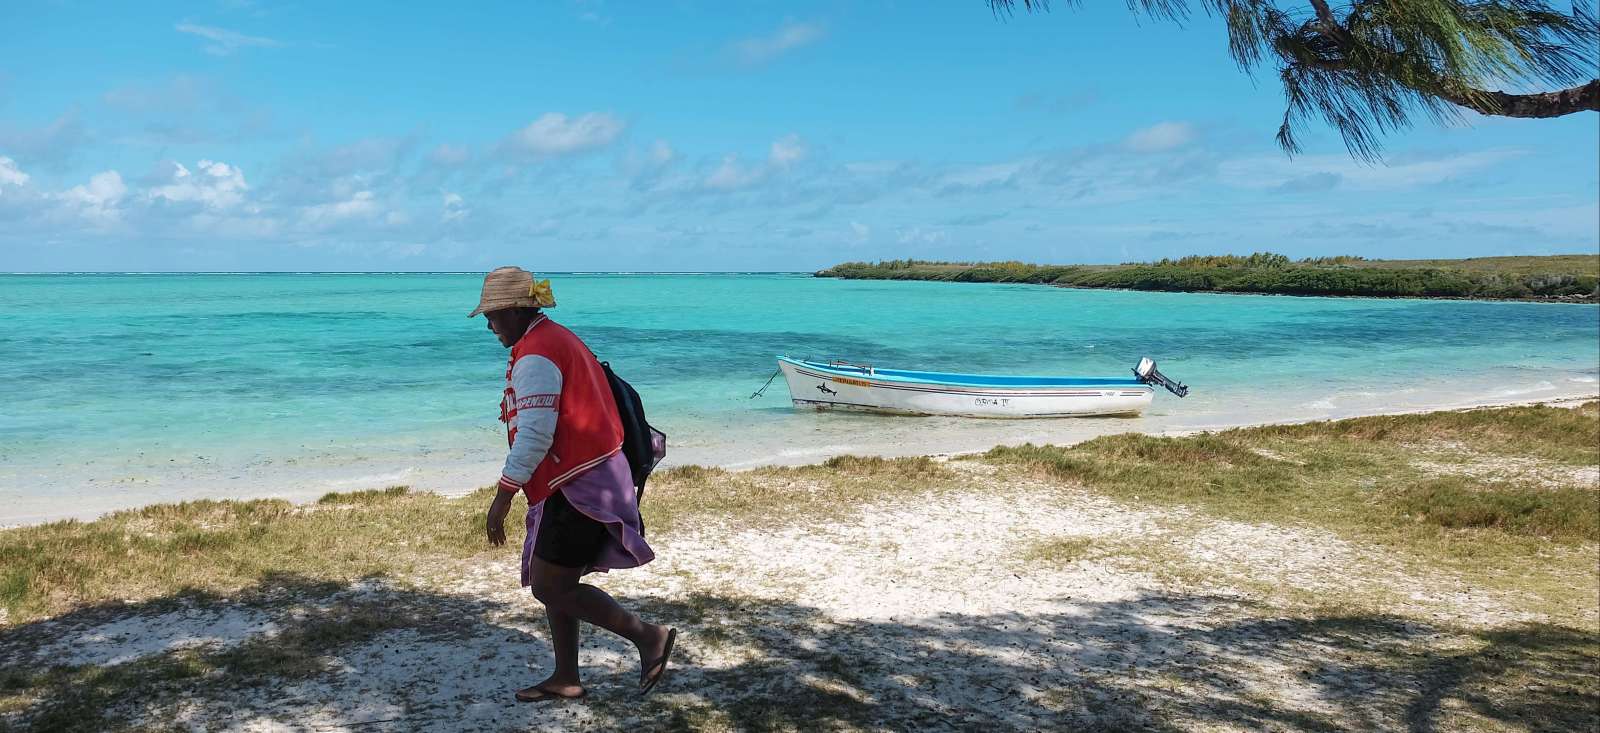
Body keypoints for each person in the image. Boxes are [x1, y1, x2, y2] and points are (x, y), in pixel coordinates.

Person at [472, 266, 676, 702]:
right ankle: (566, 677)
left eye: (492, 315)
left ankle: (649, 638)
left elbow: (534, 435)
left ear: (514, 310)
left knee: (551, 585)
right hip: (586, 477)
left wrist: (502, 498)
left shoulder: (538, 354)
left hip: (579, 484)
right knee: (556, 582)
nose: (489, 326)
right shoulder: (551, 338)